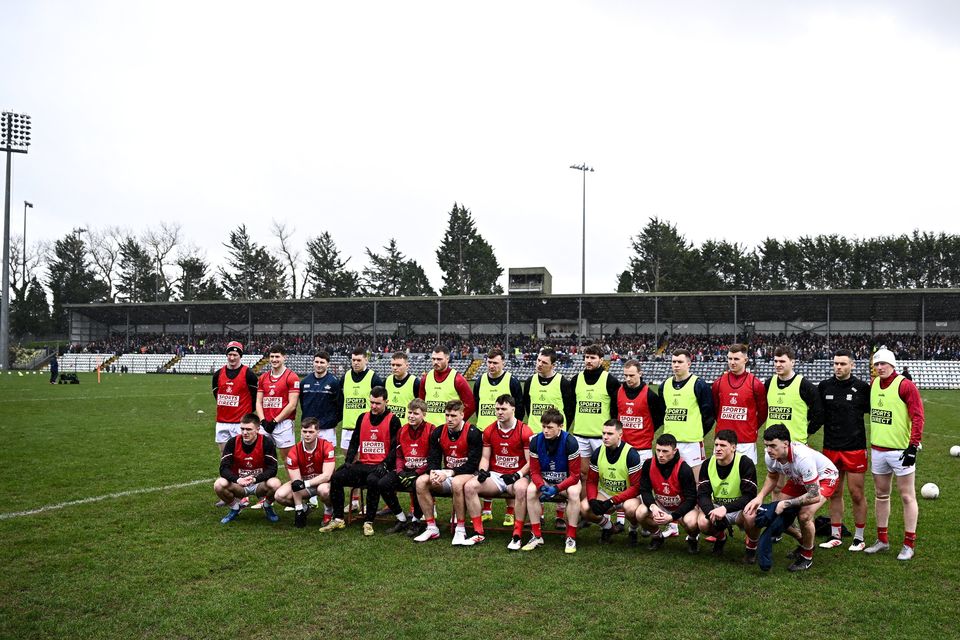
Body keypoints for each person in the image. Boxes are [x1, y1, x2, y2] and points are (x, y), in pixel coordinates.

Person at [744, 424, 839, 572]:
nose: (769, 450)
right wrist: (760, 497)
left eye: (773, 446)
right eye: (766, 445)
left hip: (824, 478)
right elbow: (772, 477)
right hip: (800, 478)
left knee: (804, 515)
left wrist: (787, 503)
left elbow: (814, 495)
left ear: (786, 444)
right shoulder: (770, 455)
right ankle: (803, 539)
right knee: (779, 512)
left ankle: (807, 556)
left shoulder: (802, 458)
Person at [864, 348, 925, 561]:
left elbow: (918, 416)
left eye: (884, 364)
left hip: (900, 451)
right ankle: (882, 540)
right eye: (877, 364)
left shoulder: (905, 385)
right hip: (878, 450)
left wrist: (913, 446)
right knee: (881, 495)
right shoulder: (873, 385)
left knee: (907, 496)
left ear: (892, 365)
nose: (880, 367)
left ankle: (909, 544)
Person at [319, 386, 402, 535]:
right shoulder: (362, 417)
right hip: (363, 464)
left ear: (386, 402)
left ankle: (368, 521)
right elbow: (354, 440)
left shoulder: (393, 420)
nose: (374, 406)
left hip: (381, 466)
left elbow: (396, 448)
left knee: (372, 481)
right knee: (337, 477)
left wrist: (385, 464)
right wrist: (349, 460)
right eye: (371, 402)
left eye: (378, 403)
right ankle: (338, 519)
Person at [814, 348, 871, 551]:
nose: (838, 367)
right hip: (830, 447)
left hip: (854, 448)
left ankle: (859, 537)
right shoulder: (824, 386)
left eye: (843, 364)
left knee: (856, 493)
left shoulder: (863, 388)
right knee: (834, 493)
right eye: (836, 363)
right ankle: (835, 534)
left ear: (852, 365)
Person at [461, 395, 533, 548]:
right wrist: (482, 471)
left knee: (521, 489)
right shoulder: (489, 430)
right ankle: (478, 532)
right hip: (496, 476)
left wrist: (517, 475)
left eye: (504, 409)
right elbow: (486, 457)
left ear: (513, 409)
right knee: (470, 486)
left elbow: (530, 462)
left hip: (517, 475)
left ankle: (517, 534)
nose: (499, 412)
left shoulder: (524, 431)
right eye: (497, 409)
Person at [413, 400, 483, 544]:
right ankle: (431, 527)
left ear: (462, 415)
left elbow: (472, 464)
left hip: (467, 475)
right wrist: (433, 472)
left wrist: (449, 473)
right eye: (447, 415)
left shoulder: (473, 432)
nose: (449, 419)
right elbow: (433, 457)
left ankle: (460, 528)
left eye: (453, 416)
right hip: (447, 474)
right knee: (421, 482)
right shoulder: (438, 432)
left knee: (457, 483)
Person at [522, 346, 575, 528]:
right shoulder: (530, 381)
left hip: (558, 436)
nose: (539, 364)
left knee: (560, 472)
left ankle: (560, 515)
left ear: (553, 364)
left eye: (544, 362)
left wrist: (562, 428)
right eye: (538, 361)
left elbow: (569, 407)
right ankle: (540, 513)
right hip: (536, 436)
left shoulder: (562, 382)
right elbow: (528, 406)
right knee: (537, 472)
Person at [472, 348, 524, 522]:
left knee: (507, 468)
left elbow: (520, 407)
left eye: (495, 362)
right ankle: (486, 510)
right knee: (487, 470)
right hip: (484, 431)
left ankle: (510, 512)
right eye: (489, 362)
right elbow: (477, 404)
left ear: (503, 363)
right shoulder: (480, 381)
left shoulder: (512, 382)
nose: (492, 365)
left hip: (507, 433)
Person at [695, 430, 760, 560]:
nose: (718, 449)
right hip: (717, 507)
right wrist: (710, 513)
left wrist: (725, 509)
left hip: (739, 509)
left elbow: (750, 496)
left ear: (733, 447)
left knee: (752, 516)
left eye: (723, 445)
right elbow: (702, 495)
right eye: (716, 445)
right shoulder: (708, 464)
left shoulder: (745, 463)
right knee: (702, 522)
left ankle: (751, 547)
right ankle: (721, 537)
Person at [524, 408, 582, 553]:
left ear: (560, 426)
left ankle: (571, 536)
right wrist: (541, 486)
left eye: (550, 427)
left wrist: (556, 489)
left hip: (567, 481)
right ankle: (536, 535)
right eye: (543, 426)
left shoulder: (570, 442)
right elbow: (534, 471)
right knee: (531, 491)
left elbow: (575, 475)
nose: (545, 430)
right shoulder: (535, 441)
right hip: (545, 480)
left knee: (574, 494)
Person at [377, 398, 435, 536]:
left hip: (422, 472)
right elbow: (399, 455)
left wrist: (417, 472)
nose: (411, 416)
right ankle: (401, 519)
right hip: (405, 470)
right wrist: (400, 471)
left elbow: (433, 458)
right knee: (383, 483)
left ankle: (416, 521)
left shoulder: (432, 430)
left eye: (416, 413)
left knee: (417, 486)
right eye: (409, 412)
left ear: (424, 415)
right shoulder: (402, 430)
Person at [581, 420, 643, 544]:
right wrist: (593, 500)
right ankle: (608, 527)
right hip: (607, 493)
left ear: (620, 435)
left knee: (630, 509)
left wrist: (611, 501)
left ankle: (633, 529)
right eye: (603, 433)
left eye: (610, 434)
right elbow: (591, 481)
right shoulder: (598, 452)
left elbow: (636, 487)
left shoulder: (631, 454)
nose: (605, 437)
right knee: (584, 507)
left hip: (628, 496)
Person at [636, 433, 700, 552]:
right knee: (640, 512)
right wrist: (653, 506)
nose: (660, 455)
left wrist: (673, 517)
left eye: (665, 451)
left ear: (675, 451)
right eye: (658, 450)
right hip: (660, 505)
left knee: (692, 522)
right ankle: (657, 536)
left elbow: (691, 499)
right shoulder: (649, 464)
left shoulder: (684, 469)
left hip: (681, 507)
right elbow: (644, 490)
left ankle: (692, 539)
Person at [214, 413, 281, 524]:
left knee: (275, 483)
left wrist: (255, 479)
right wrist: (237, 480)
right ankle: (235, 508)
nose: (245, 432)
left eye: (249, 429)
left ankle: (267, 505)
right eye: (242, 429)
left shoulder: (266, 442)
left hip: (259, 484)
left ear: (258, 429)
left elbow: (272, 469)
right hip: (239, 484)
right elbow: (223, 468)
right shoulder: (232, 442)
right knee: (219, 484)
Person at [659, 349, 715, 479]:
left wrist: (697, 431)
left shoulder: (699, 385)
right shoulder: (664, 385)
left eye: (680, 362)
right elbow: (662, 412)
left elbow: (708, 416)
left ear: (689, 364)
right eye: (674, 362)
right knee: (671, 481)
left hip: (692, 443)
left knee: (697, 481)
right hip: (670, 443)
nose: (676, 365)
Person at [570, 344, 620, 486]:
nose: (589, 361)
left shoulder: (610, 380)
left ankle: (607, 505)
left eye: (593, 358)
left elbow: (616, 409)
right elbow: (571, 407)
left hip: (602, 436)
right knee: (583, 475)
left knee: (607, 475)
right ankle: (585, 507)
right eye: (586, 357)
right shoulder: (576, 380)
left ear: (601, 360)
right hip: (580, 435)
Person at [274, 418, 336, 528]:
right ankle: (304, 509)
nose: (307, 435)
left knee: (324, 490)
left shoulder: (327, 446)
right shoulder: (294, 451)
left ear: (318, 432)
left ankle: (329, 511)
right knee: (280, 495)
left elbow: (327, 475)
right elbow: (296, 483)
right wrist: (298, 509)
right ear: (301, 431)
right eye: (304, 431)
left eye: (311, 432)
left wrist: (305, 484)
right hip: (305, 483)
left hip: (324, 483)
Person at [712, 343, 767, 463]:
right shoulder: (718, 383)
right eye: (730, 358)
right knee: (720, 477)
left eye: (736, 359)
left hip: (746, 441)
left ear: (745, 360)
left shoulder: (756, 384)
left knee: (746, 478)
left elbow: (763, 412)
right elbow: (716, 409)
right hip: (722, 440)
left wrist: (751, 427)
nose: (732, 362)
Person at [765, 345, 823, 446]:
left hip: (796, 444)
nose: (778, 364)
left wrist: (808, 432)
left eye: (782, 361)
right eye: (776, 361)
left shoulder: (805, 385)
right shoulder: (769, 383)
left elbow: (819, 413)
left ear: (792, 362)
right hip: (772, 445)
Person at [212, 341, 258, 455]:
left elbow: (256, 396)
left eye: (235, 355)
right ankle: (227, 473)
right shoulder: (218, 374)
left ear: (240, 356)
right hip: (222, 421)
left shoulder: (249, 374)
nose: (232, 358)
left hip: (241, 423)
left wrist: (246, 411)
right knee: (224, 455)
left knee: (242, 454)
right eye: (230, 355)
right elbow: (216, 394)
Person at [616, 359, 665, 465]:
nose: (628, 379)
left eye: (632, 375)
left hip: (643, 449)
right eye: (626, 375)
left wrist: (647, 430)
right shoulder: (618, 392)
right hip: (622, 447)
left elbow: (660, 418)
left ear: (640, 373)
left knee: (642, 481)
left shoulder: (650, 395)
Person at [418, 344, 475, 431]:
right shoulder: (425, 379)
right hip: (428, 431)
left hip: (448, 432)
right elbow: (421, 404)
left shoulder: (458, 379)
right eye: (433, 359)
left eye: (439, 359)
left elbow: (471, 405)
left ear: (447, 359)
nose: (435, 362)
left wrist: (457, 423)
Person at [340, 347, 385, 454]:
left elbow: (381, 403)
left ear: (366, 360)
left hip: (366, 427)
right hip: (348, 426)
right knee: (348, 461)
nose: (355, 363)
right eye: (353, 360)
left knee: (364, 461)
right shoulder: (345, 377)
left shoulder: (374, 378)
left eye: (359, 360)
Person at [299, 351, 342, 447]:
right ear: (313, 362)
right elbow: (302, 404)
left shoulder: (334, 382)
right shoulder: (304, 382)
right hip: (308, 429)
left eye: (322, 362)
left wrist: (332, 422)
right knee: (307, 458)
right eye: (316, 362)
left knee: (327, 459)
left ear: (328, 364)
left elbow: (340, 406)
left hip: (327, 429)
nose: (319, 365)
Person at [385, 351, 420, 423]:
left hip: (406, 428)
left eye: (398, 365)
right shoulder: (387, 381)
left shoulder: (415, 382)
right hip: (389, 427)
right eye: (393, 365)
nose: (394, 368)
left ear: (407, 366)